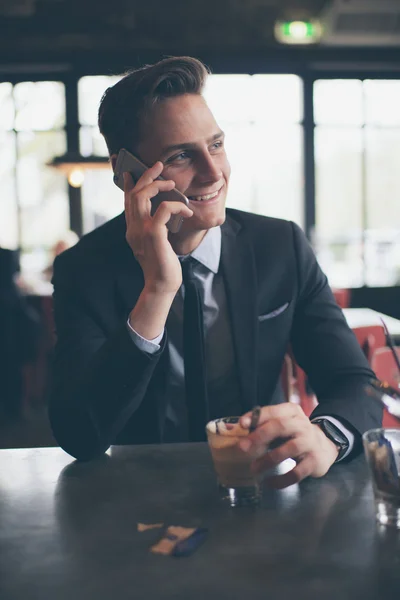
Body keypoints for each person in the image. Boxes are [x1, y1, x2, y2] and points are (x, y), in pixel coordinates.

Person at [48, 56, 381, 487]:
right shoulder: (85, 268)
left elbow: (355, 381)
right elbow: (80, 435)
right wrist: (158, 290)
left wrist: (329, 437)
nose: (213, 173)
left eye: (217, 145)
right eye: (182, 155)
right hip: (137, 499)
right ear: (128, 174)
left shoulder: (280, 246)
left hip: (263, 487)